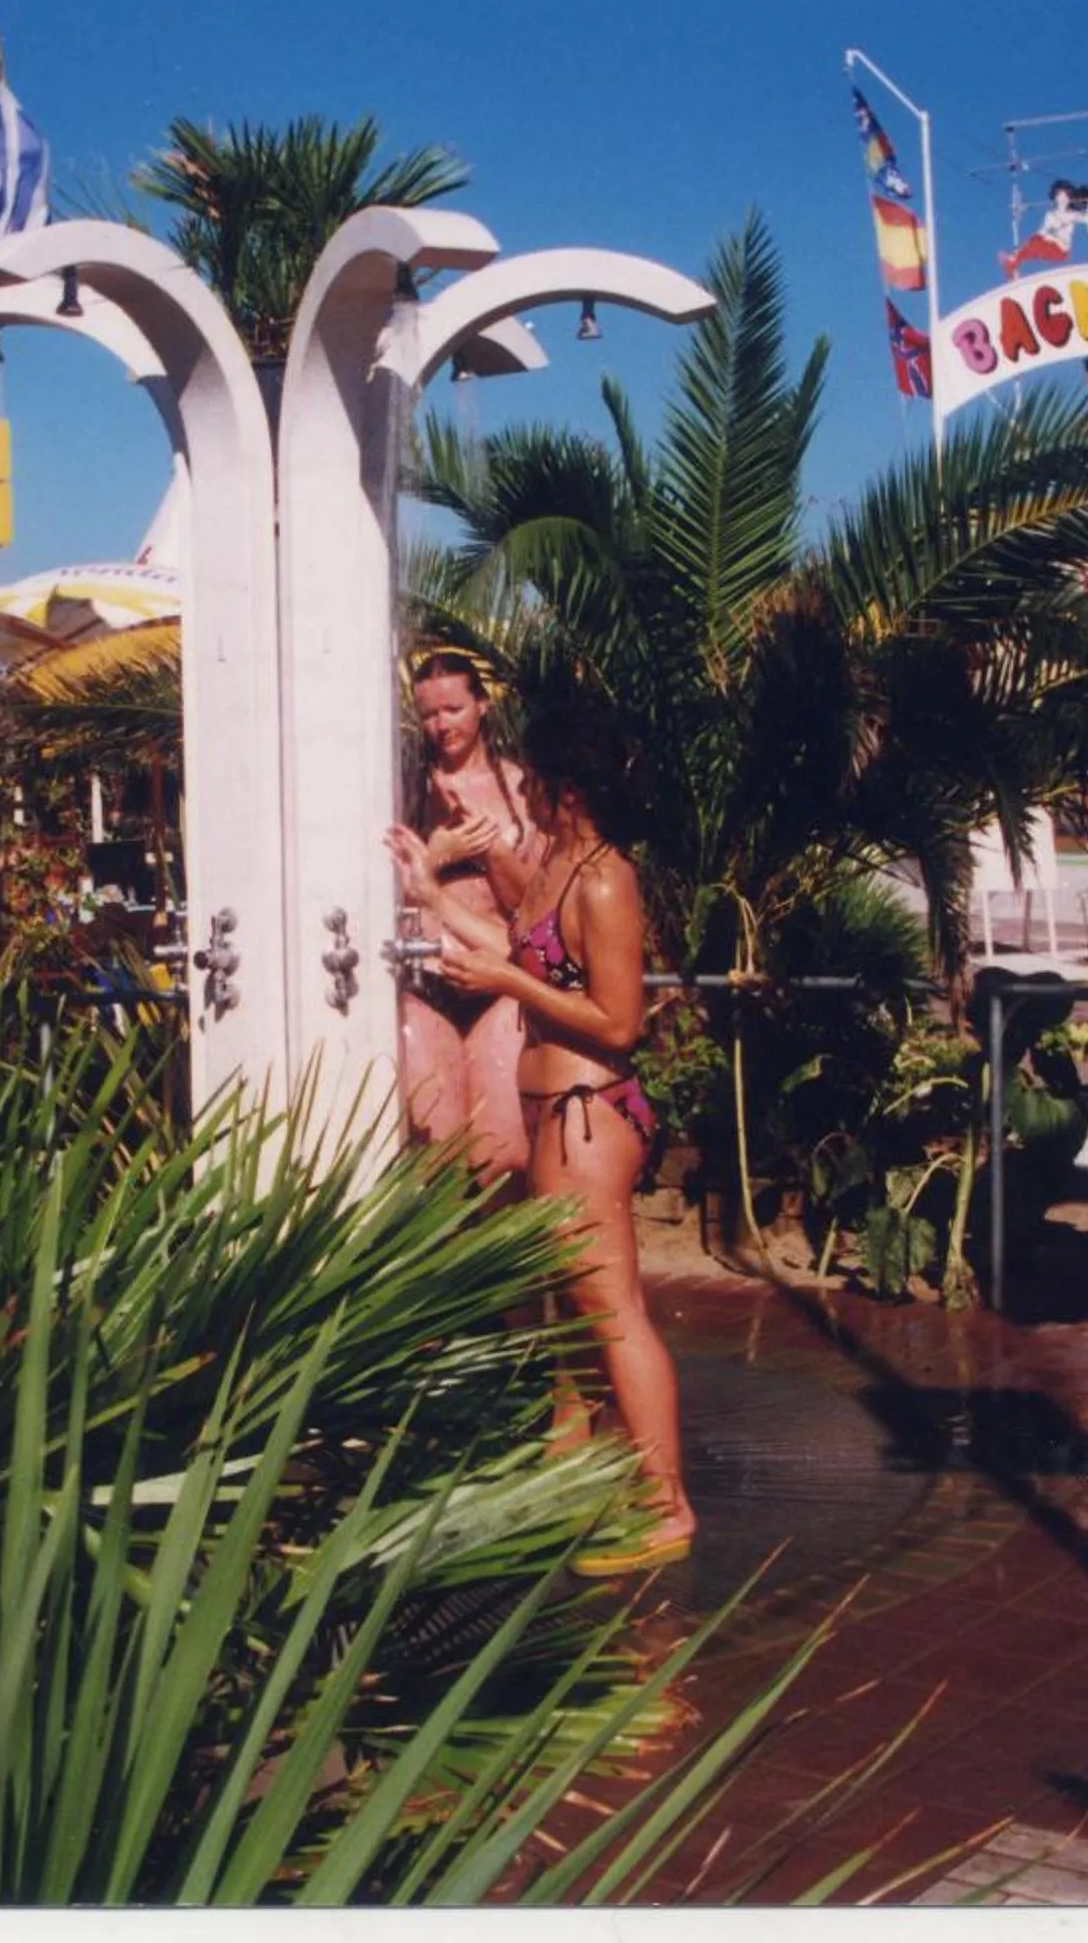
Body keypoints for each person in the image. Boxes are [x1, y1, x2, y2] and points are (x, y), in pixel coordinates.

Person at [388, 700, 693, 1575]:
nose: (524, 794)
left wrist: (504, 983)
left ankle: (667, 1502)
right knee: (578, 1310)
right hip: (552, 1112)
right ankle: (611, 1472)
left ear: (566, 787)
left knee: (615, 1313)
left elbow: (619, 1018)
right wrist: (433, 896)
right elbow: (516, 948)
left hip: (591, 1112)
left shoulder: (605, 878)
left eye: (538, 783)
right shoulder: (560, 863)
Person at [393, 651, 545, 1185]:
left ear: (482, 705)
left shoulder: (522, 791)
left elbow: (537, 906)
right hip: (427, 982)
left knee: (502, 1157)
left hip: (499, 983)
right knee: (439, 1159)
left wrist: (491, 854)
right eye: (429, 714)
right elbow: (377, 894)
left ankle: (504, 1266)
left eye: (453, 709)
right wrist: (437, 852)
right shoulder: (404, 790)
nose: (441, 726)